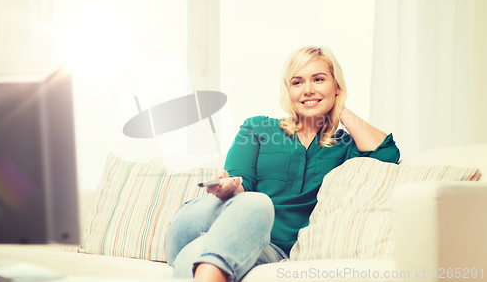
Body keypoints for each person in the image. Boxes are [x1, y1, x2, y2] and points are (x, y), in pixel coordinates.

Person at [164, 46, 400, 282]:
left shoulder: (344, 147)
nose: (308, 90)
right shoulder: (257, 128)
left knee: (198, 253)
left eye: (319, 80)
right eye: (297, 82)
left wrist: (339, 107)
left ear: (336, 86)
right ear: (288, 90)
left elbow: (387, 153)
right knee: (257, 203)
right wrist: (231, 187)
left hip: (265, 248)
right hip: (201, 222)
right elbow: (240, 187)